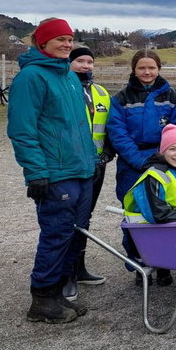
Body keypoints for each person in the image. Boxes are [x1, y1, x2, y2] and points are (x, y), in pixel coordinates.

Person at [8, 18, 96, 323]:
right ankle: (42, 298)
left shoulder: (69, 76)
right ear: (42, 43)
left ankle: (58, 292)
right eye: (60, 39)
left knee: (74, 236)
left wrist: (92, 159)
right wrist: (36, 173)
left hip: (82, 170)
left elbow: (78, 126)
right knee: (56, 235)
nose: (67, 45)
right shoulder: (30, 78)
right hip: (56, 174)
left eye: (70, 39)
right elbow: (22, 130)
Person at [107, 49, 176, 287]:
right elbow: (117, 134)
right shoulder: (121, 99)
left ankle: (164, 264)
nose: (147, 72)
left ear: (159, 68)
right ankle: (140, 264)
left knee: (164, 212)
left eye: (151, 67)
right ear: (134, 69)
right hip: (132, 165)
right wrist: (139, 161)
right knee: (135, 216)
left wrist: (164, 157)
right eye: (142, 67)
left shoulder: (172, 96)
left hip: (164, 161)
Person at [64, 46, 113, 295]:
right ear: (70, 63)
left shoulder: (102, 93)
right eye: (80, 61)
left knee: (86, 218)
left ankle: (80, 267)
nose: (86, 66)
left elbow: (109, 127)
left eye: (89, 62)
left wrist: (108, 152)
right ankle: (67, 273)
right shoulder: (64, 90)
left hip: (97, 166)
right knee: (70, 220)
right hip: (72, 167)